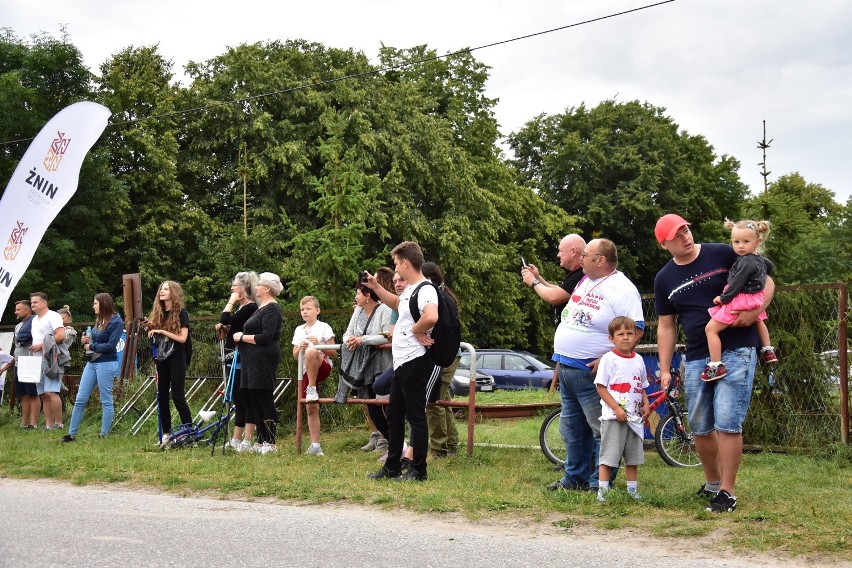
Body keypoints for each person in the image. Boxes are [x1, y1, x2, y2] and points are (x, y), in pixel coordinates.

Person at [654, 213, 774, 513]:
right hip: (695, 357)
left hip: (736, 350)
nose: (685, 237)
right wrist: (665, 369)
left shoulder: (722, 251)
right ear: (664, 243)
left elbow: (767, 279)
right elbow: (666, 326)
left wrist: (757, 307)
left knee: (727, 420)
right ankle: (711, 482)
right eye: (677, 235)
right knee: (700, 424)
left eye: (686, 230)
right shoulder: (663, 278)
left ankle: (727, 492)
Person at [546, 239, 645, 492]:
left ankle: (599, 482)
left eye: (586, 255)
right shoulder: (586, 279)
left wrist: (609, 357)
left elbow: (637, 328)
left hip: (592, 371)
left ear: (601, 260)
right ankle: (574, 477)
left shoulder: (623, 289)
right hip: (568, 366)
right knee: (572, 428)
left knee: (602, 428)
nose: (581, 259)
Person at [364, 241, 441, 482]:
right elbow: (397, 304)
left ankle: (418, 470)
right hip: (402, 362)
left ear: (405, 263)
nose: (396, 267)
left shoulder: (426, 289)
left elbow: (432, 316)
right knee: (395, 414)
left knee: (415, 416)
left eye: (397, 263)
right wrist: (376, 286)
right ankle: (392, 466)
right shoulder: (409, 291)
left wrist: (417, 331)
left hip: (416, 361)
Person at [703, 219, 777, 381]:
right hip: (755, 298)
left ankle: (716, 365)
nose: (740, 246)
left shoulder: (745, 262)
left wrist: (723, 298)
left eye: (745, 241)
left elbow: (736, 284)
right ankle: (767, 349)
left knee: (711, 330)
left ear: (757, 242)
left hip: (740, 298)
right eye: (736, 242)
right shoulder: (758, 259)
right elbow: (769, 266)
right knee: (758, 320)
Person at [594, 316, 650, 502]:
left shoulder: (639, 360)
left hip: (634, 419)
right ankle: (603, 491)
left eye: (629, 333)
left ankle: (632, 491)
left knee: (633, 457)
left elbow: (641, 386)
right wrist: (616, 408)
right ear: (612, 338)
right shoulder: (609, 360)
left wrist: (646, 404)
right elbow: (601, 387)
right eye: (620, 334)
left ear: (636, 337)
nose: (625, 338)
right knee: (609, 456)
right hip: (613, 418)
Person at [522, 234, 587, 392]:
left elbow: (554, 297)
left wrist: (533, 282)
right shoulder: (577, 276)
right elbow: (559, 290)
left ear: (573, 252)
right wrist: (538, 277)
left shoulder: (580, 275)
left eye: (560, 251)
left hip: (577, 357)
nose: (558, 254)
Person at [234, 272, 283, 454]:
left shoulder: (272, 309)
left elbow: (265, 337)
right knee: (253, 399)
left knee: (264, 398)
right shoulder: (262, 307)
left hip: (263, 359)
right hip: (251, 360)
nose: (256, 287)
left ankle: (270, 441)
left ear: (268, 288)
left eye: (260, 284)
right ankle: (261, 440)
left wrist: (242, 337)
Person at [62, 294, 123, 441]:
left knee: (105, 399)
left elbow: (110, 345)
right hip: (92, 362)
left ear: (103, 304)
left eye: (95, 303)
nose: (93, 306)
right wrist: (86, 339)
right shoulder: (99, 320)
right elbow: (96, 339)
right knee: (80, 398)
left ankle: (104, 434)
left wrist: (91, 345)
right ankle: (71, 434)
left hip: (106, 362)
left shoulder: (116, 321)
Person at [341, 277, 392, 450]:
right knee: (370, 405)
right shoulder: (358, 311)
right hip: (363, 365)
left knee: (382, 403)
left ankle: (392, 442)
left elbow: (386, 335)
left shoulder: (384, 310)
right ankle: (389, 440)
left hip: (381, 362)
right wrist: (350, 341)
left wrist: (362, 340)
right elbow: (347, 333)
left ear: (368, 295)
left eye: (357, 293)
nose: (355, 297)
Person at [215, 271, 259, 452]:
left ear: (244, 288)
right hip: (232, 355)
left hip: (243, 357)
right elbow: (229, 323)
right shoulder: (242, 309)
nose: (232, 288)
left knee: (245, 398)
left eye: (235, 285)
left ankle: (247, 440)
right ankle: (236, 439)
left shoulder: (250, 307)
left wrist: (231, 301)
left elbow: (225, 317)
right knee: (237, 399)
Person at [146, 281, 192, 447]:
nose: (161, 292)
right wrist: (150, 329)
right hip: (161, 357)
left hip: (177, 356)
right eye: (160, 289)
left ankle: (189, 432)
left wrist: (162, 331)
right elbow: (156, 337)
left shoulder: (181, 313)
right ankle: (166, 434)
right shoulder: (158, 314)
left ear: (174, 292)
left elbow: (182, 338)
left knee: (178, 395)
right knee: (162, 396)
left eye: (165, 289)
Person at [422, 261, 461, 458]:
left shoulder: (437, 297)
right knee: (442, 400)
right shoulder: (442, 295)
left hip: (443, 357)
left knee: (433, 400)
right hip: (446, 355)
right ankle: (451, 445)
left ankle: (439, 450)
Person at [291, 296, 335, 456]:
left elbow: (333, 352)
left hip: (322, 366)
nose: (304, 312)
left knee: (311, 350)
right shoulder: (298, 330)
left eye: (308, 309)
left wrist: (317, 344)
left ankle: (311, 387)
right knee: (311, 406)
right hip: (304, 371)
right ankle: (315, 445)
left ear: (317, 310)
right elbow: (295, 356)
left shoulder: (324, 327)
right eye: (302, 309)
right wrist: (300, 348)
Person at [29, 292, 67, 429]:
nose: (32, 304)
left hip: (51, 359)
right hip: (37, 360)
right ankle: (48, 425)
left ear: (44, 303)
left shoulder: (53, 316)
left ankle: (59, 423)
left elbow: (61, 335)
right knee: (43, 394)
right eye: (31, 302)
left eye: (36, 302)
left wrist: (42, 346)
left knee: (52, 392)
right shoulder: (34, 320)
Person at [4, 300, 39, 428]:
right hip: (19, 363)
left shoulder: (35, 323)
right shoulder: (18, 326)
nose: (16, 312)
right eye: (16, 309)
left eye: (18, 310)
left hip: (30, 362)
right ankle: (24, 423)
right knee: (22, 395)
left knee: (33, 394)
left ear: (27, 310)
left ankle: (34, 423)